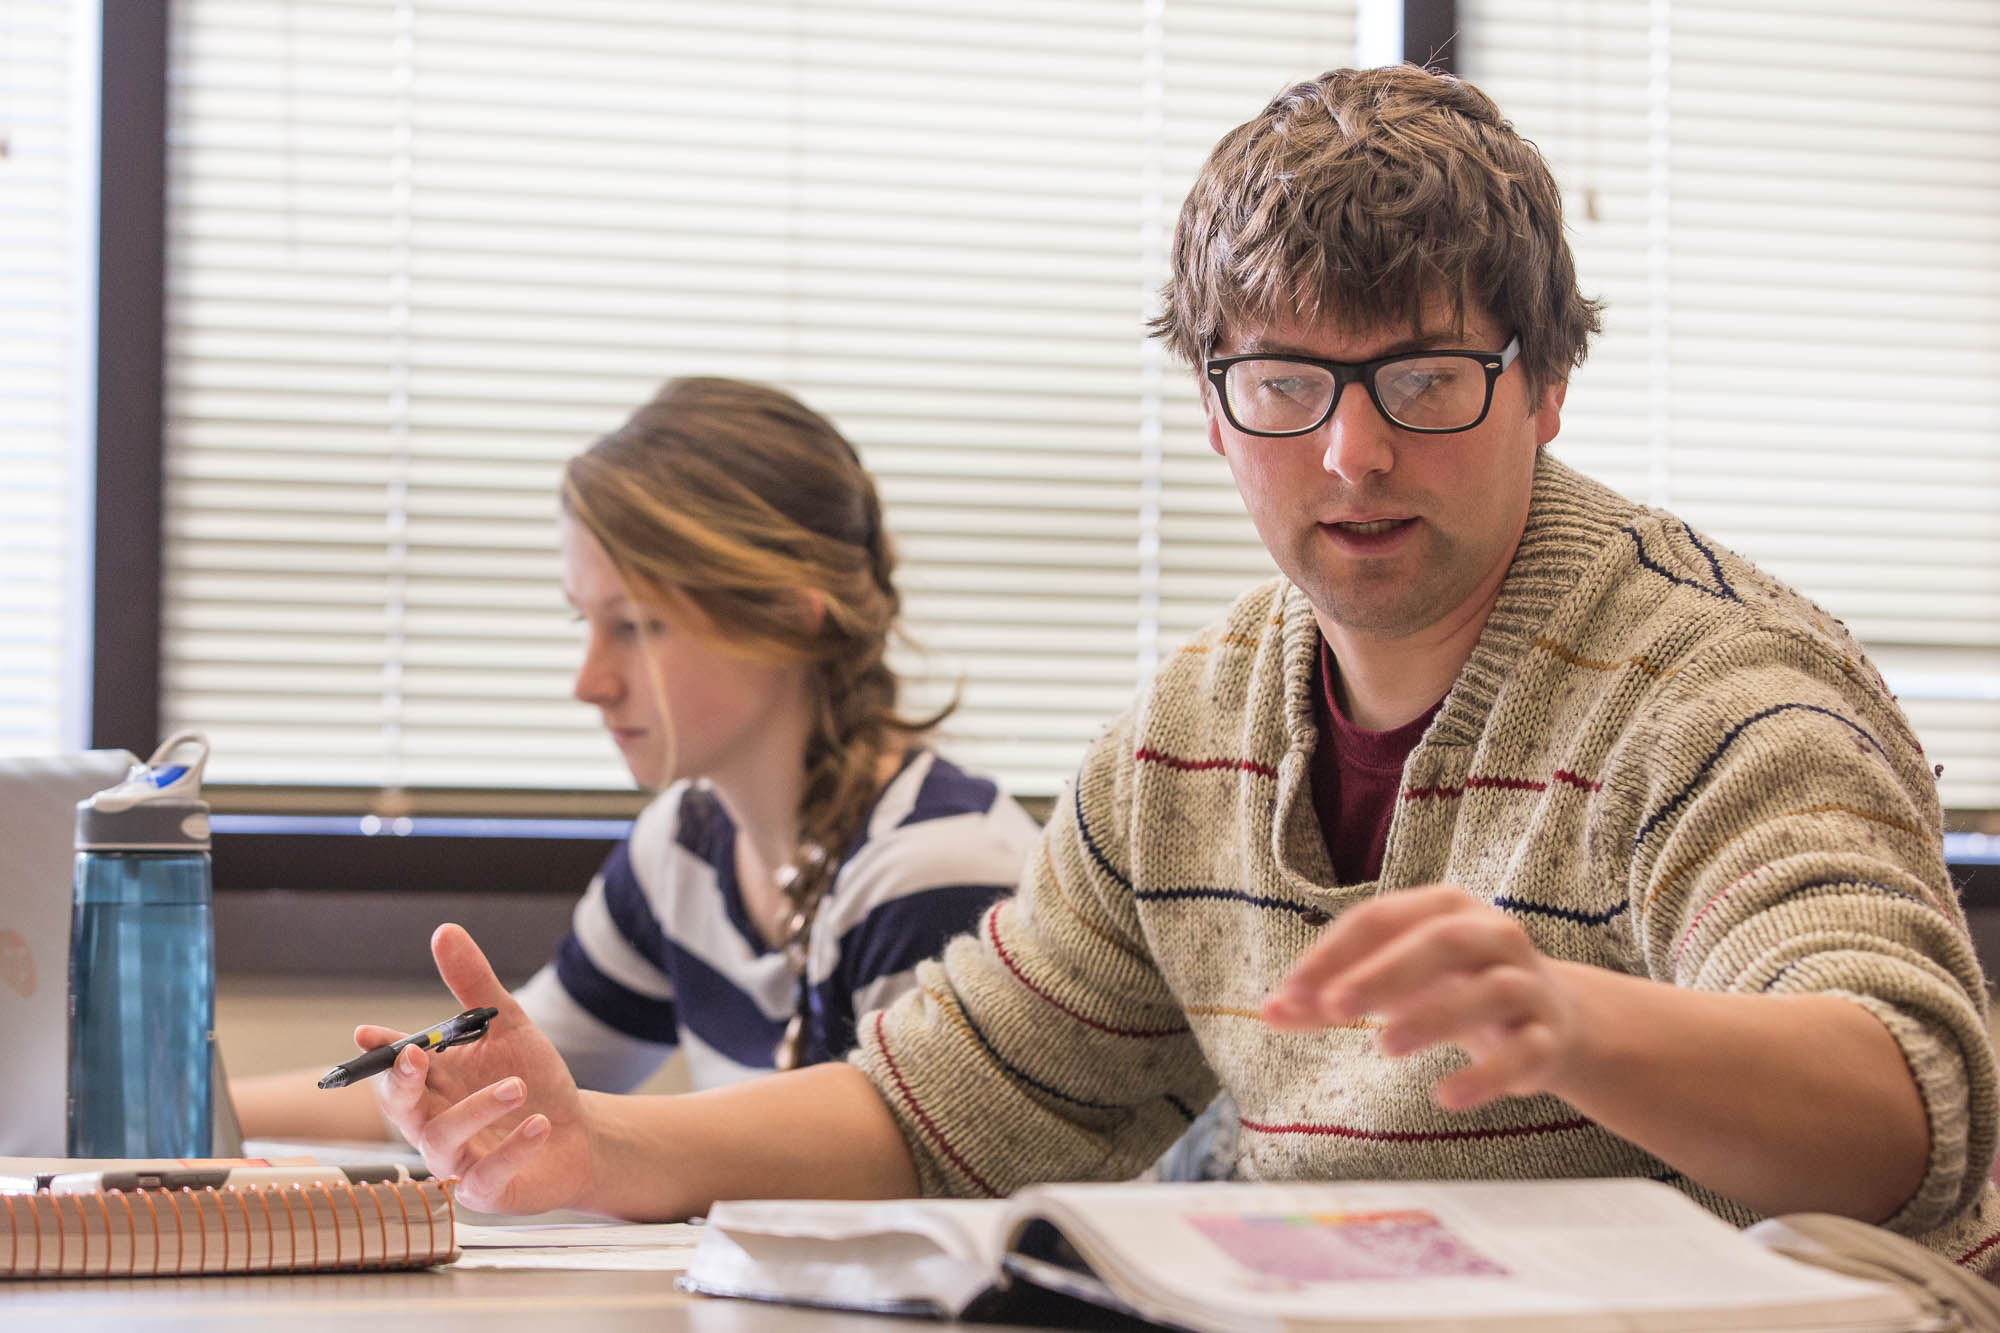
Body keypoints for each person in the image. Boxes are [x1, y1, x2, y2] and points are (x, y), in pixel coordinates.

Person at [356, 66, 2000, 1275]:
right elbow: (950, 1110)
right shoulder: (1186, 739)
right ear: (1215, 409)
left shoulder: (1721, 687)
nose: (1353, 453)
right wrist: (601, 1144)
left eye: (1426, 377)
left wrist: (1570, 1020)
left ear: (1546, 383)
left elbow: (1906, 1110)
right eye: (1288, 381)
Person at [233, 377, 1041, 1139]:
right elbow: (486, 1090)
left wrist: (587, 1142)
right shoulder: (685, 847)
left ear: (794, 621)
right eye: (584, 620)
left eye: (635, 624)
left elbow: (909, 1187)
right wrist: (188, 1112)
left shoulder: (939, 872)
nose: (590, 682)